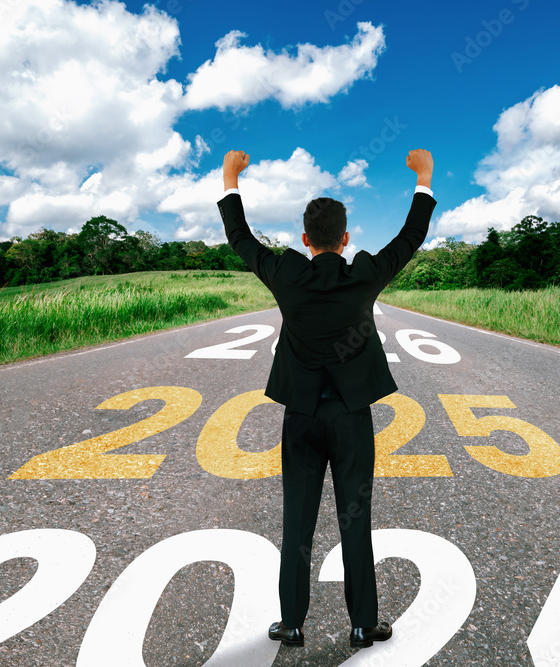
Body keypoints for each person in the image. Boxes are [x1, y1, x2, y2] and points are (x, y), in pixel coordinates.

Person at [216, 148, 435, 649]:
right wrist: (423, 178)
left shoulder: (286, 275)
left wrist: (231, 178)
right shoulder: (364, 275)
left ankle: (292, 623)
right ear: (346, 239)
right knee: (355, 521)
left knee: (297, 520)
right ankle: (363, 624)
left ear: (305, 240)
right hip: (352, 416)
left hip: (302, 415)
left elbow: (240, 238)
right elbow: (411, 237)